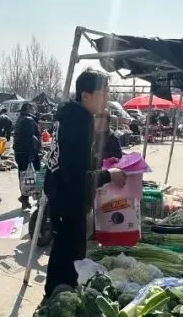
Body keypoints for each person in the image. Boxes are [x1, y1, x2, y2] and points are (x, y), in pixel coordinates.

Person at [44, 70, 126, 297]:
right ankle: (57, 299)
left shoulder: (69, 115)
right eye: (103, 93)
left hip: (60, 197)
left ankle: (53, 296)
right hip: (69, 202)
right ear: (86, 95)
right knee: (68, 261)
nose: (107, 99)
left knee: (60, 255)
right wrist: (108, 175)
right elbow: (76, 176)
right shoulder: (79, 120)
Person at [13, 102, 42, 209]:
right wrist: (35, 152)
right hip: (28, 152)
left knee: (24, 175)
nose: (35, 111)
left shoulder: (20, 119)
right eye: (34, 108)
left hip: (20, 152)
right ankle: (31, 199)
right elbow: (31, 138)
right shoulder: (28, 120)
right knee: (32, 175)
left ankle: (24, 198)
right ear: (29, 109)